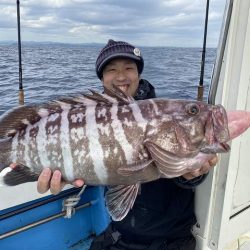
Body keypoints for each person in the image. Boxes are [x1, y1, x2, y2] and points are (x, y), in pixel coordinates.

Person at [37, 39, 218, 250]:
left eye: (129, 68)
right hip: (119, 235)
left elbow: (190, 167)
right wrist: (67, 174)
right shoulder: (91, 120)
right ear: (103, 78)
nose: (121, 76)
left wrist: (194, 172)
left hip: (171, 240)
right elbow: (95, 165)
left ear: (138, 74)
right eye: (112, 69)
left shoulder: (167, 115)